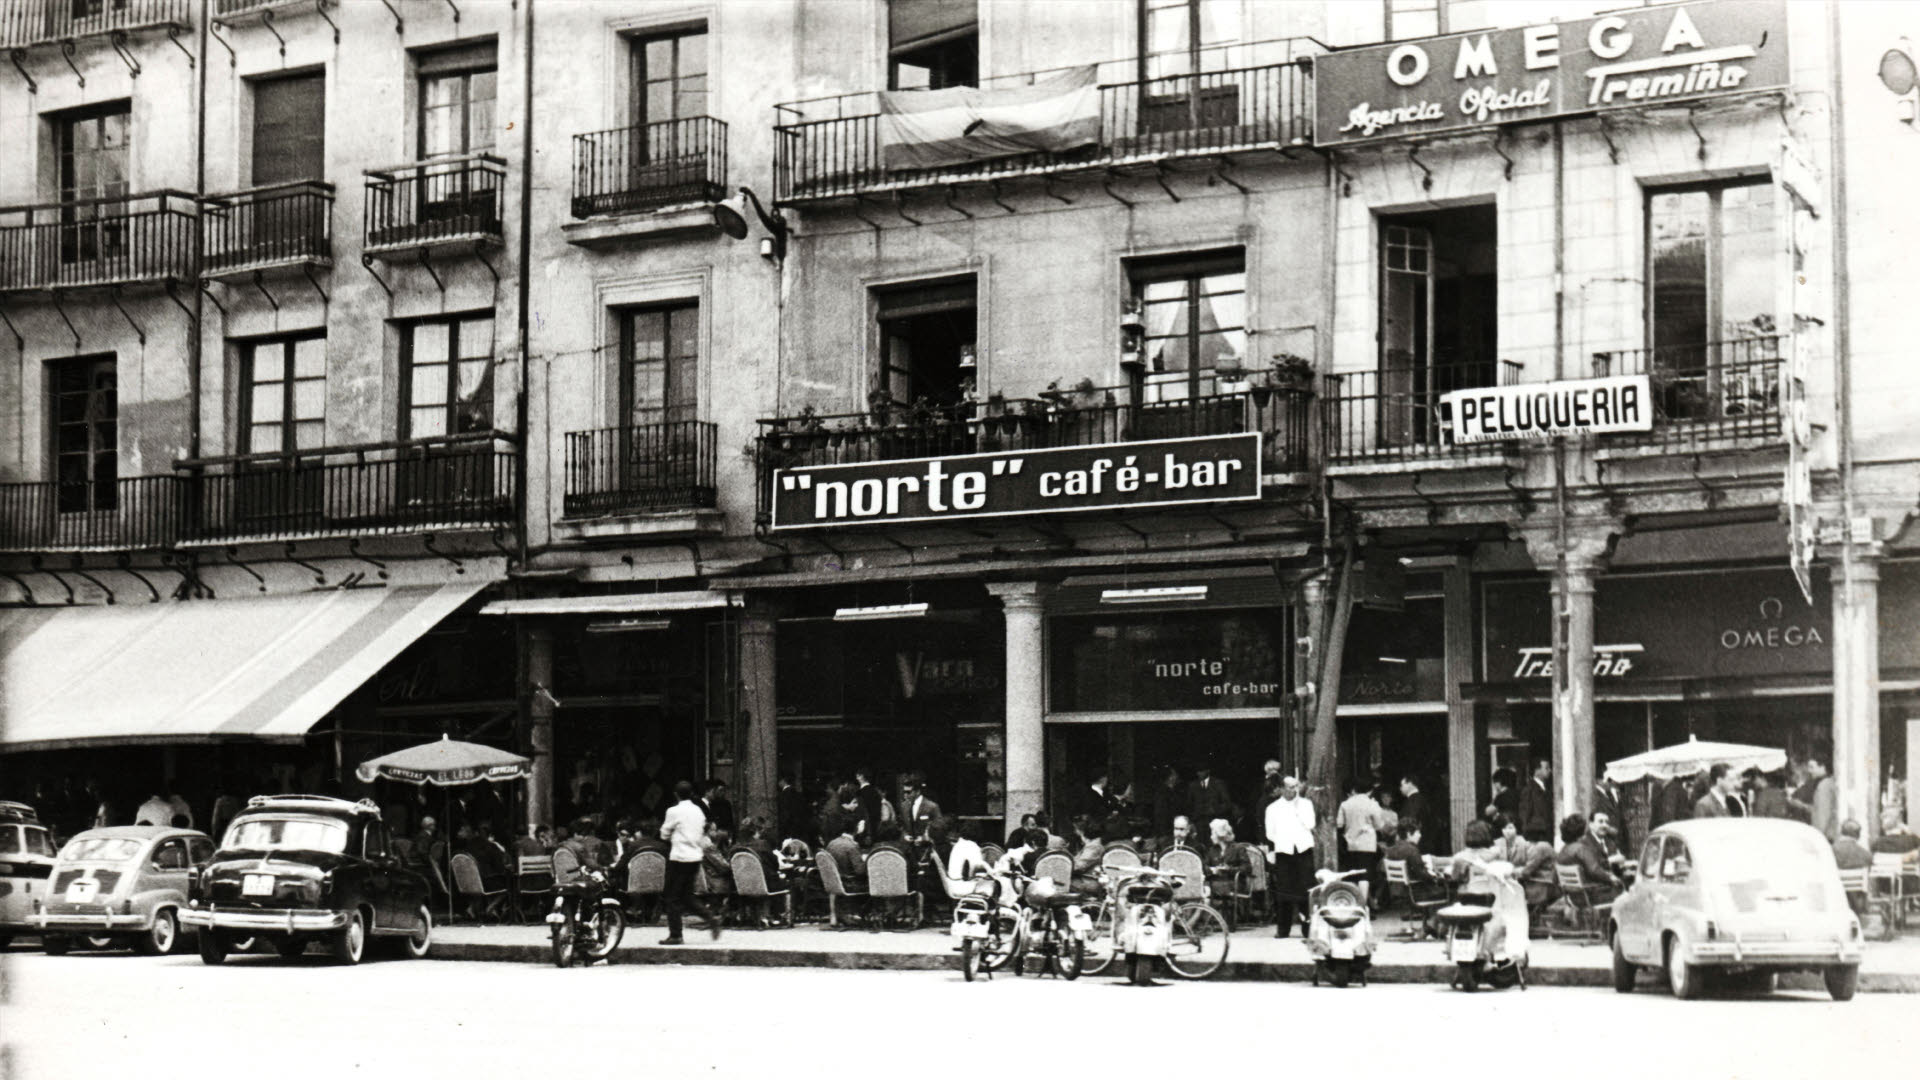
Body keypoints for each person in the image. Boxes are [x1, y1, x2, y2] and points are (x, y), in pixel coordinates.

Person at [659, 781, 720, 944]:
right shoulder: (698, 811)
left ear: (676, 794)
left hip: (679, 857)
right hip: (695, 856)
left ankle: (675, 934)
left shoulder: (673, 811)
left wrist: (673, 835)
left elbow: (664, 834)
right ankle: (710, 917)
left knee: (672, 897)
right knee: (686, 896)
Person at [1265, 775, 1315, 938]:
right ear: (1281, 788)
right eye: (1290, 787)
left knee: (1306, 890)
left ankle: (1308, 929)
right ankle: (1283, 929)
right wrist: (1284, 840)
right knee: (1284, 891)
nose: (1294, 790)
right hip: (1284, 851)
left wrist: (1298, 807)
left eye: (1296, 786)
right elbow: (1270, 833)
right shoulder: (1273, 808)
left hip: (1303, 850)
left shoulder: (1306, 804)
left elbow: (1311, 824)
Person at [1554, 814, 1622, 906]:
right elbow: (1594, 870)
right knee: (1625, 895)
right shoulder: (1581, 849)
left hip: (1573, 897)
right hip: (1591, 896)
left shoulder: (1563, 850)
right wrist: (1611, 878)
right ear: (1581, 831)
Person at [1335, 778, 1383, 899]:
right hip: (1367, 844)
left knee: (1352, 875)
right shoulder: (1372, 804)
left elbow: (1339, 824)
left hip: (1350, 843)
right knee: (1364, 876)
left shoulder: (1345, 804)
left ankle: (1353, 903)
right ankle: (1362, 905)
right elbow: (1379, 825)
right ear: (1370, 791)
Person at [1205, 818, 1250, 908]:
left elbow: (1247, 868)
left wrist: (1229, 869)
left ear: (1220, 834)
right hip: (1217, 881)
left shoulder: (1238, 848)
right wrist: (1212, 870)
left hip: (1234, 882)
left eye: (1212, 833)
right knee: (1206, 887)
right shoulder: (1212, 850)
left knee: (1209, 888)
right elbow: (1204, 866)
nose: (1211, 836)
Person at [825, 816, 866, 891]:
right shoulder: (852, 845)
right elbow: (860, 871)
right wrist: (867, 861)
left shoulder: (831, 843)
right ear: (856, 827)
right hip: (849, 884)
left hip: (833, 883)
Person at [1517, 758, 1553, 841]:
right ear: (1537, 770)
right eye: (1546, 768)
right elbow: (1524, 814)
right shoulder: (1529, 789)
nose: (1550, 771)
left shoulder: (1547, 788)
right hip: (1536, 835)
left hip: (1546, 834)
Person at [1068, 815, 1106, 895]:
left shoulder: (1093, 846)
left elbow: (1078, 866)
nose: (1075, 832)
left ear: (1082, 831)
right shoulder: (1092, 844)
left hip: (1088, 882)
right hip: (1086, 879)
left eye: (1076, 830)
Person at [898, 774, 941, 842]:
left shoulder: (932, 807)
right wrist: (905, 835)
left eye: (908, 792)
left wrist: (924, 838)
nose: (905, 795)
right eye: (904, 792)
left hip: (926, 847)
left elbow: (938, 827)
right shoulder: (903, 806)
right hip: (907, 847)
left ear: (917, 792)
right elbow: (900, 825)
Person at [853, 767, 887, 846]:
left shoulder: (861, 793)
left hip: (864, 829)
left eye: (858, 775)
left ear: (861, 776)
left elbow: (862, 812)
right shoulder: (875, 792)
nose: (856, 777)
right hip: (875, 829)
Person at [942, 817, 984, 881]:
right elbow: (978, 869)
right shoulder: (973, 847)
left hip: (952, 882)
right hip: (963, 884)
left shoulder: (958, 845)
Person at [1397, 776, 1431, 842]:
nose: (1400, 788)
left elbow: (1411, 821)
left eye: (1402, 785)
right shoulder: (1418, 798)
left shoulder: (1414, 800)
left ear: (1410, 784)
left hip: (1414, 840)